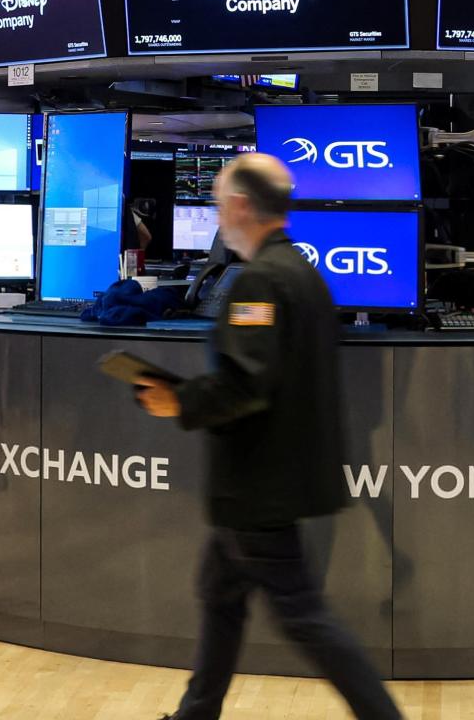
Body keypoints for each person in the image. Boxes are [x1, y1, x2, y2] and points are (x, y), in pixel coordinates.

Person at [134, 153, 401, 720]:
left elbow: (245, 383)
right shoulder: (302, 272)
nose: (215, 215)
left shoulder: (258, 282)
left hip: (258, 485)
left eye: (216, 203)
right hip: (264, 482)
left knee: (304, 616)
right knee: (221, 597)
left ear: (238, 206)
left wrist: (176, 399)